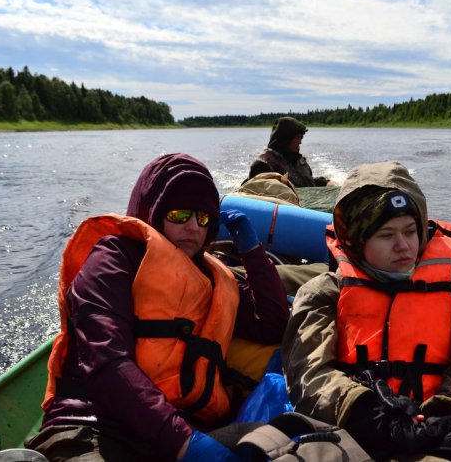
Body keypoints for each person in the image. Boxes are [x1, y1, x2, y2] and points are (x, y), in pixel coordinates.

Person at [27, 153, 290, 461]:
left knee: (281, 445)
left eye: (203, 218)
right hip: (96, 427)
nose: (192, 227)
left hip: (185, 428)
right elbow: (107, 363)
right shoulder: (113, 261)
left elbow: (272, 323)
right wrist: (182, 441)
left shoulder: (213, 276)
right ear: (152, 210)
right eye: (179, 214)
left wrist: (252, 251)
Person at [281, 161, 451, 461]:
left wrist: (447, 420)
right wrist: (367, 412)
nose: (403, 246)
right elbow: (308, 373)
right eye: (387, 235)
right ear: (357, 243)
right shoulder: (324, 293)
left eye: (410, 231)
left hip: (432, 438)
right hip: (352, 437)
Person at [247, 116, 329, 187]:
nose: (300, 142)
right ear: (284, 139)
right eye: (297, 138)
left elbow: (305, 184)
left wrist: (325, 183)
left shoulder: (296, 160)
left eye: (301, 138)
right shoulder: (263, 166)